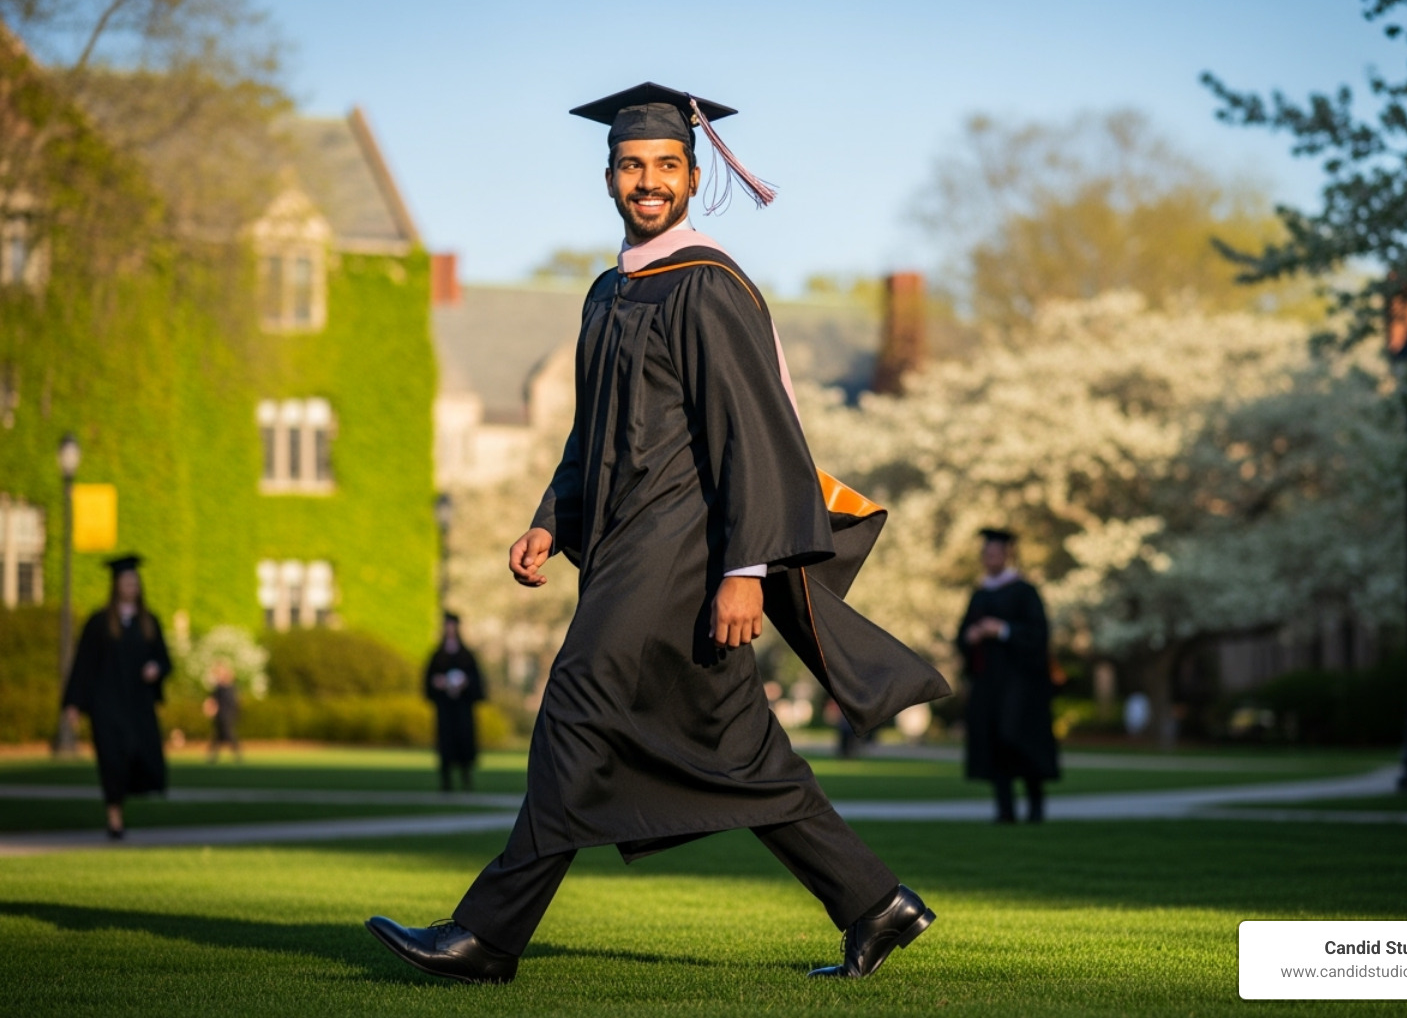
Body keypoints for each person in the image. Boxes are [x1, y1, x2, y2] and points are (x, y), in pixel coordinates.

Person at [367, 82, 950, 985]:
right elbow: (592, 432)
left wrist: (746, 569)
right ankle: (876, 904)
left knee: (575, 711)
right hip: (621, 547)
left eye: (666, 166)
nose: (649, 180)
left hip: (683, 551)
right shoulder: (608, 293)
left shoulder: (710, 287)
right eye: (633, 165)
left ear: (692, 176)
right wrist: (547, 521)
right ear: (609, 176)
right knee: (741, 750)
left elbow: (755, 434)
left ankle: (489, 934)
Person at [61, 554, 173, 839]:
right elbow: (83, 665)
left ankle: (126, 798)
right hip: (106, 704)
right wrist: (74, 703)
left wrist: (155, 668)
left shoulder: (149, 623)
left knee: (140, 754)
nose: (131, 586)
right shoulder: (99, 623)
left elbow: (165, 659)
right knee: (111, 759)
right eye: (126, 581)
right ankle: (115, 818)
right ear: (116, 585)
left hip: (137, 704)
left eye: (134, 581)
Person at [958, 528, 1059, 823]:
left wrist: (1002, 630)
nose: (989, 558)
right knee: (995, 743)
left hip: (1022, 685)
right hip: (989, 684)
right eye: (986, 553)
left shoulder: (1025, 592)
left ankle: (1036, 808)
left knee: (1020, 740)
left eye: (995, 553)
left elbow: (1039, 635)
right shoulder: (978, 594)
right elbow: (961, 637)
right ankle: (1005, 809)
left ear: (1007, 555)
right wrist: (971, 635)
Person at [424, 611, 485, 792]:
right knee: (446, 743)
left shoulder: (466, 655)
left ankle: (466, 779)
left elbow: (476, 679)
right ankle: (446, 781)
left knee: (464, 740)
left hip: (462, 707)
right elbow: (429, 679)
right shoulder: (437, 655)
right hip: (445, 707)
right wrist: (439, 683)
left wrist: (466, 683)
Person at [203, 660, 242, 763]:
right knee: (218, 735)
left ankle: (237, 754)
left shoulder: (229, 687)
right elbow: (212, 699)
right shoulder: (218, 688)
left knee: (227, 733)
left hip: (227, 713)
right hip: (221, 714)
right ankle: (213, 756)